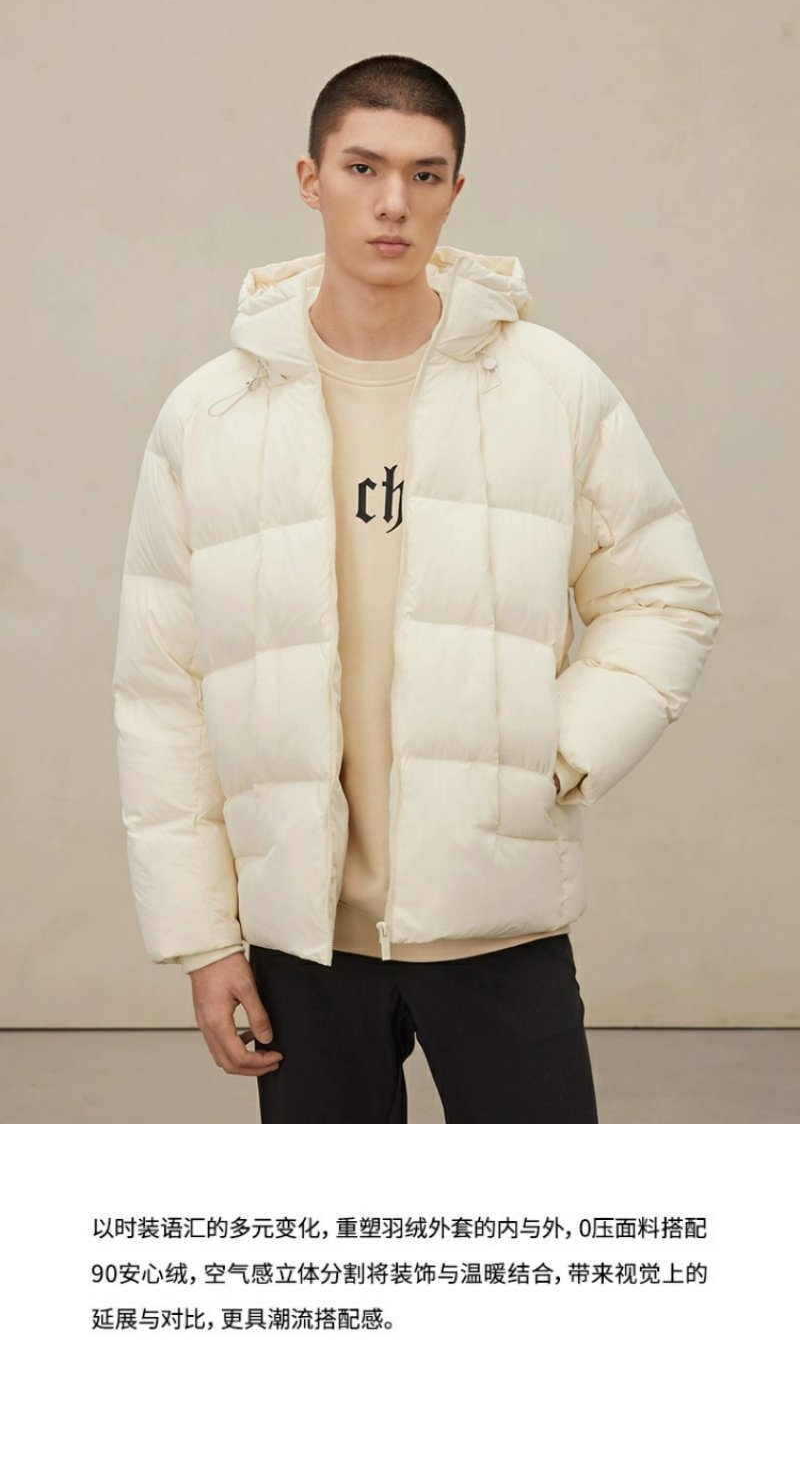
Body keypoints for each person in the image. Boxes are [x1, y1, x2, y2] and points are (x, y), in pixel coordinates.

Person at [111, 54, 722, 1124]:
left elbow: (663, 594)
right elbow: (163, 688)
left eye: (424, 174)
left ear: (454, 191)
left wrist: (550, 753)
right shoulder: (209, 417)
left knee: (544, 1224)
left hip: (499, 919)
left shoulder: (550, 387)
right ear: (310, 180)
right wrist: (205, 940)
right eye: (363, 168)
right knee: (340, 1233)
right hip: (301, 939)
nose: (393, 202)